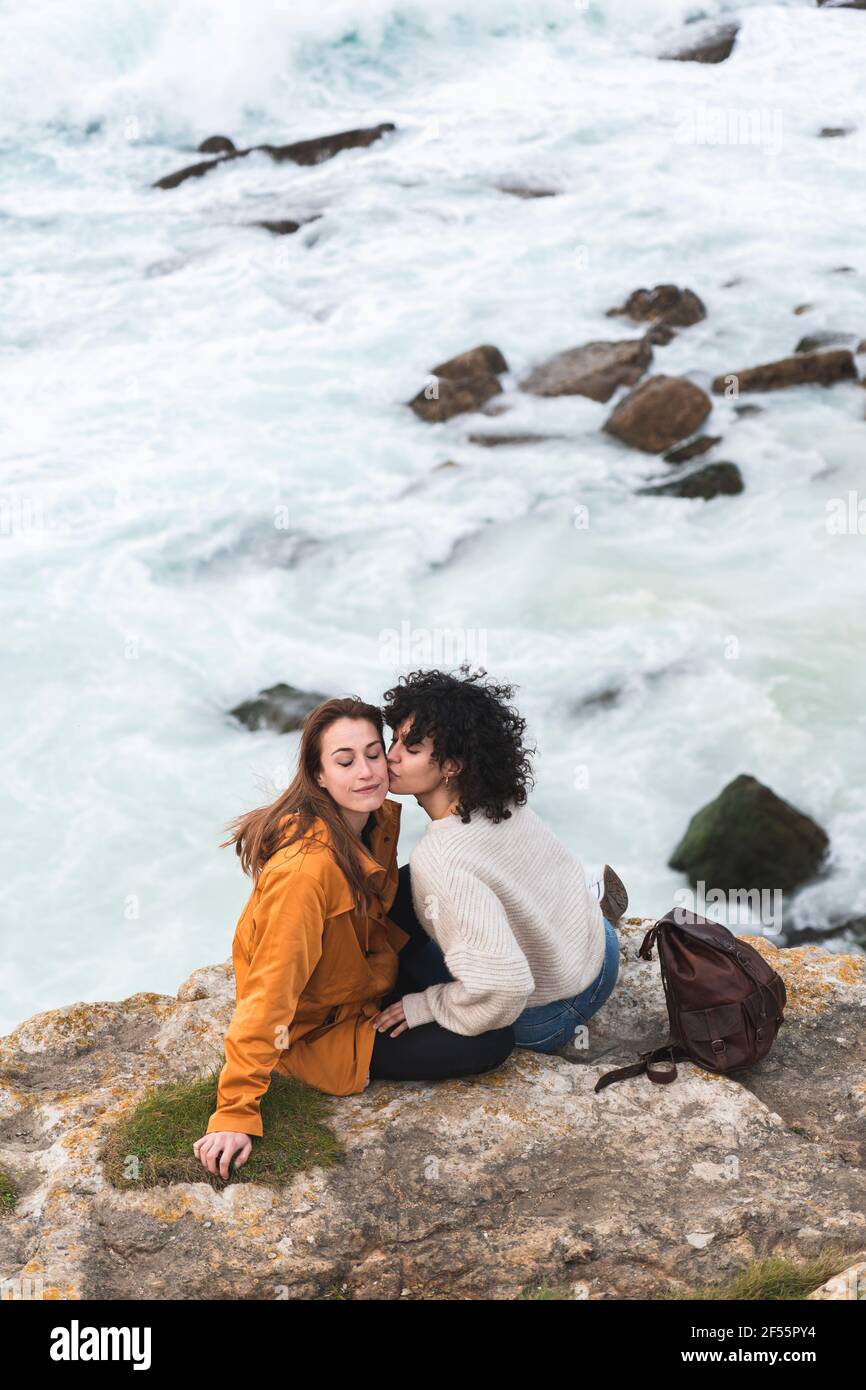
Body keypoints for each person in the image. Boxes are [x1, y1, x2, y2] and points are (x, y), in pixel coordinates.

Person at [193, 696, 514, 1180]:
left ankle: (534, 936)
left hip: (368, 961)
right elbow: (269, 994)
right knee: (491, 1041)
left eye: (373, 753)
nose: (366, 771)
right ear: (318, 775)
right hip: (324, 1029)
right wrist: (235, 1111)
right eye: (344, 761)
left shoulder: (378, 817)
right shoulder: (304, 874)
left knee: (442, 881)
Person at [374, 667, 627, 1055]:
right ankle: (598, 910)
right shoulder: (497, 801)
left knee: (398, 968)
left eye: (410, 749)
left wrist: (427, 1005)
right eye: (393, 741)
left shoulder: (441, 858)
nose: (390, 757)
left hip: (548, 1014)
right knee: (419, 894)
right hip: (601, 951)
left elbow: (504, 989)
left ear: (452, 765)